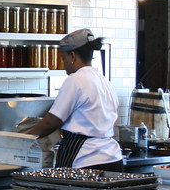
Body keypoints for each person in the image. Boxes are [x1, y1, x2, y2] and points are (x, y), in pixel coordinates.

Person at [25, 28, 122, 170]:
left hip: (86, 160)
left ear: (73, 56)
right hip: (113, 158)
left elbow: (51, 122)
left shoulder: (76, 80)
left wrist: (23, 139)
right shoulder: (105, 82)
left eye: (63, 59)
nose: (64, 64)